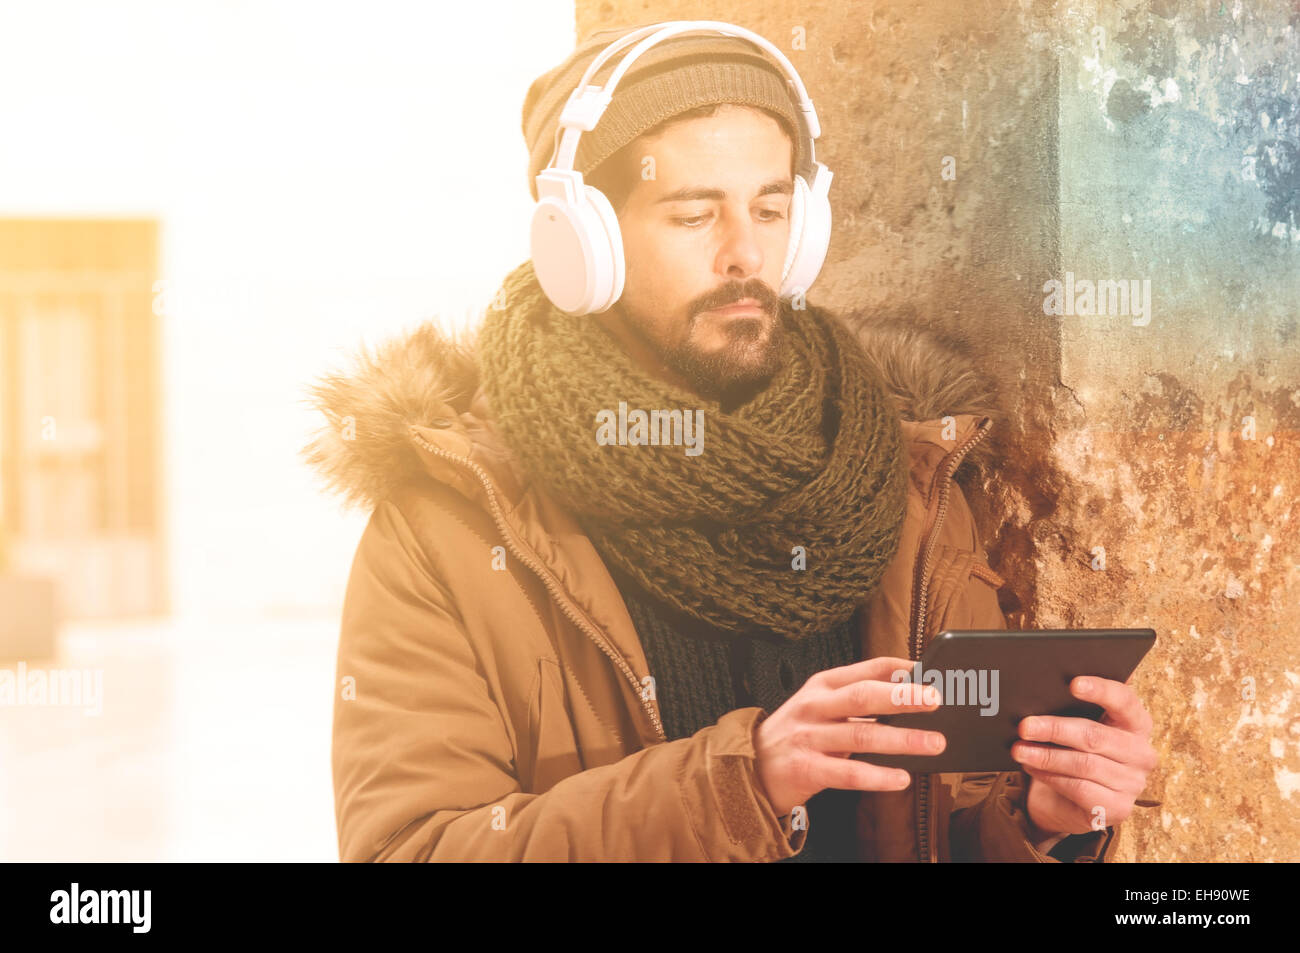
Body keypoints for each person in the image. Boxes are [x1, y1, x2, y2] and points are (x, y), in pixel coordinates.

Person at [302, 20, 1157, 862]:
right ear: (581, 244)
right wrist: (736, 787)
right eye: (692, 214)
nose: (746, 254)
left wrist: (1043, 821)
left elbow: (938, 825)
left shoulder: (900, 483)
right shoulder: (452, 526)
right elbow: (410, 851)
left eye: (772, 208)